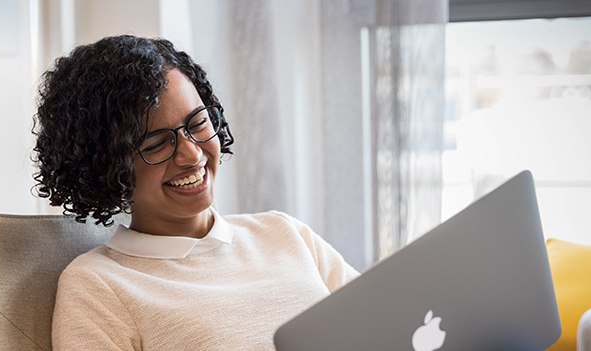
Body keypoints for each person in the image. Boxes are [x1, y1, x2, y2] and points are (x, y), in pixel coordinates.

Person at [33, 35, 358, 350]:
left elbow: (384, 325)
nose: (191, 155)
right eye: (157, 143)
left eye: (198, 123)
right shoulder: (99, 286)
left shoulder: (286, 234)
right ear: (106, 166)